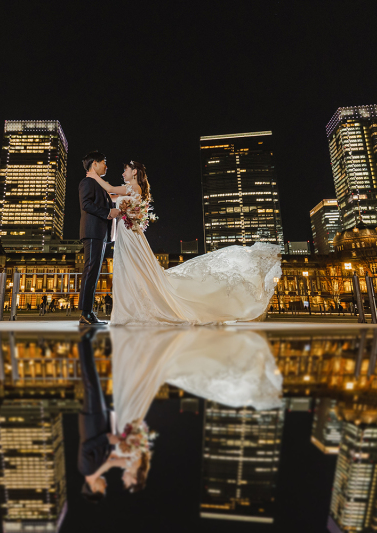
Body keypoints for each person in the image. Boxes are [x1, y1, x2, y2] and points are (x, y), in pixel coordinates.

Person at [88, 160, 281, 325]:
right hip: (127, 232)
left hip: (129, 234)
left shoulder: (132, 187)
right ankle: (132, 308)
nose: (123, 173)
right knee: (132, 269)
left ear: (135, 172)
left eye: (126, 170)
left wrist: (93, 175)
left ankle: (135, 309)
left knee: (132, 268)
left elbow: (111, 189)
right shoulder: (132, 190)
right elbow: (111, 196)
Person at [77, 328, 123, 501]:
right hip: (100, 418)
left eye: (103, 489)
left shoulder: (86, 469)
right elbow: (107, 449)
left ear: (93, 488)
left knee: (90, 380)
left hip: (92, 419)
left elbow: (86, 448)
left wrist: (107, 440)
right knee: (93, 379)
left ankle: (84, 338)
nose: (106, 486)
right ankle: (87, 339)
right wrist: (117, 443)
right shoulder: (97, 468)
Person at [78, 151, 119, 326]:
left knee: (94, 272)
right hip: (93, 232)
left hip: (100, 233)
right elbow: (86, 204)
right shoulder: (87, 182)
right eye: (104, 162)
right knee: (90, 270)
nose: (106, 166)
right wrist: (109, 212)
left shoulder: (99, 184)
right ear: (94, 164)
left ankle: (88, 313)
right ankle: (85, 313)